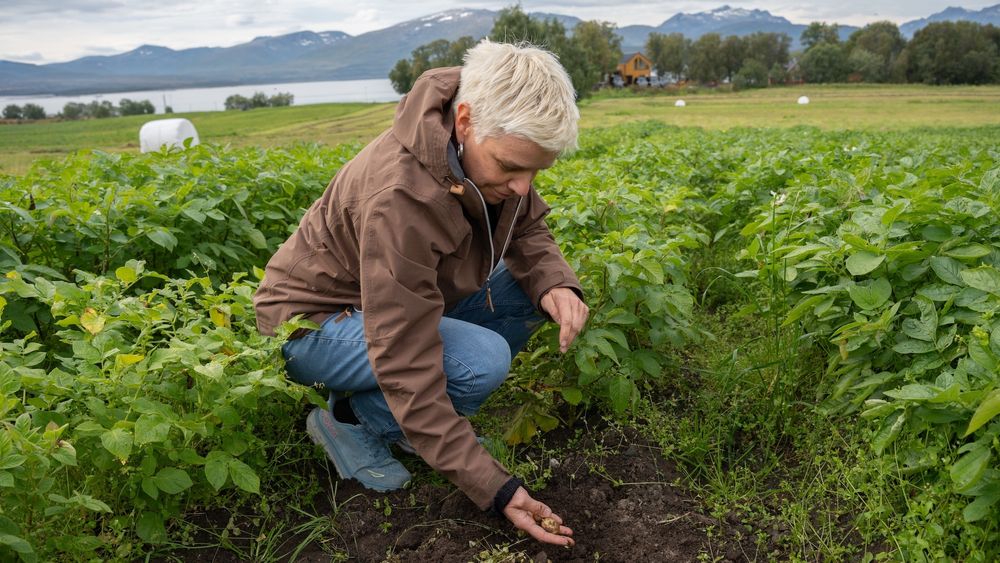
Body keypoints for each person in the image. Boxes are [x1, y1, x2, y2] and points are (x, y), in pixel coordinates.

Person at [253, 40, 588, 547]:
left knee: (530, 292)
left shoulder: (484, 143)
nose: (524, 186)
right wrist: (496, 489)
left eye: (537, 170)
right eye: (511, 168)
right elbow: (407, 358)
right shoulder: (400, 198)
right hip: (315, 324)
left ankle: (410, 423)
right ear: (466, 121)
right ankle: (350, 418)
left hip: (389, 302)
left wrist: (556, 282)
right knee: (480, 361)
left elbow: (525, 225)